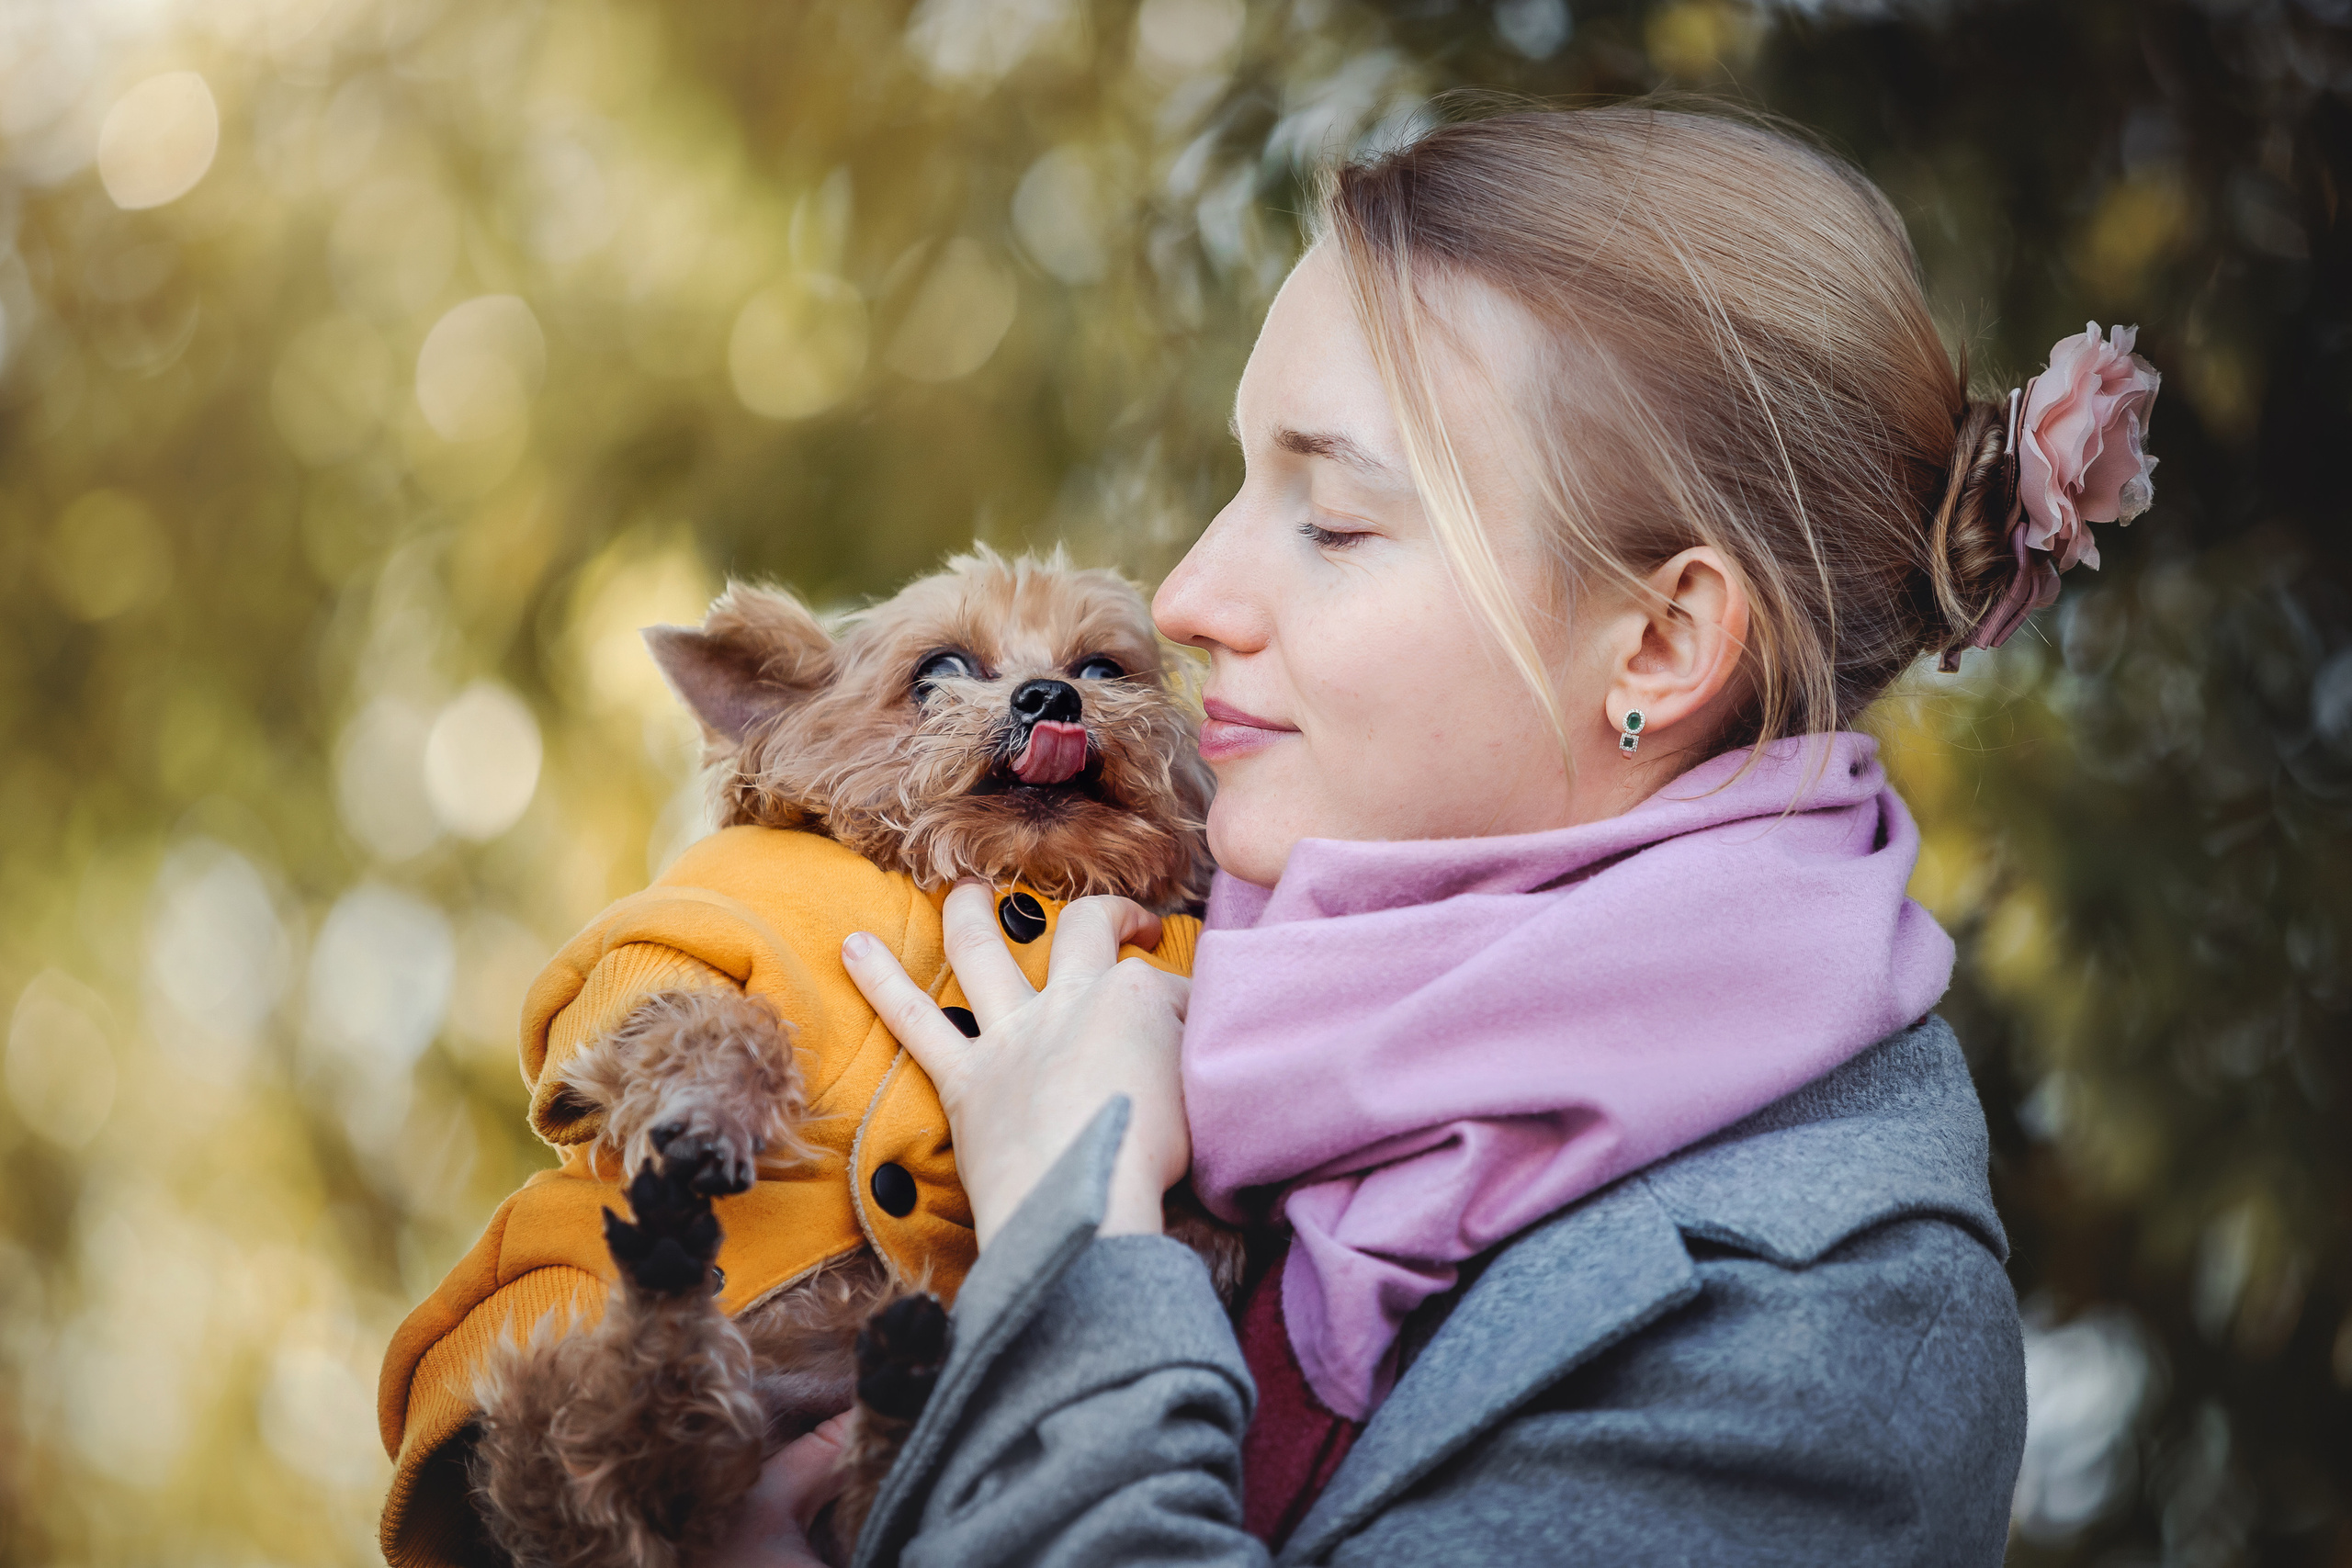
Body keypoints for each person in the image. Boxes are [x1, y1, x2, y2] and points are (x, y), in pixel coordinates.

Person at [716, 101, 2161, 1568]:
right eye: (1238, 482)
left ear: (1660, 645)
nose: (1185, 595)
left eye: (1332, 520)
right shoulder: (1195, 957)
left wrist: (1075, 1227)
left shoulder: (1828, 1338)